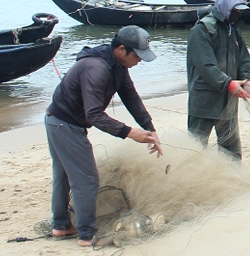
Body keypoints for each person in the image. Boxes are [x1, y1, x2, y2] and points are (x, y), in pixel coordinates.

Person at [45, 26, 163, 247]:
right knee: (87, 180)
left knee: (63, 175)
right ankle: (88, 236)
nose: (139, 61)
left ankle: (61, 226)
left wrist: (149, 128)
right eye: (137, 55)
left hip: (58, 121)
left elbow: (131, 97)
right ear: (121, 49)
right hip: (65, 124)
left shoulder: (118, 65)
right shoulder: (96, 68)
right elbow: (94, 114)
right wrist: (130, 133)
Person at [186, 0, 250, 160]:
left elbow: (243, 58)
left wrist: (247, 80)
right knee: (195, 147)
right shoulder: (201, 30)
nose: (238, 14)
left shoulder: (233, 30)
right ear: (225, 6)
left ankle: (234, 179)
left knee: (231, 148)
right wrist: (228, 83)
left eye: (240, 11)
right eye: (235, 10)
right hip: (204, 101)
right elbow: (206, 66)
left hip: (228, 100)